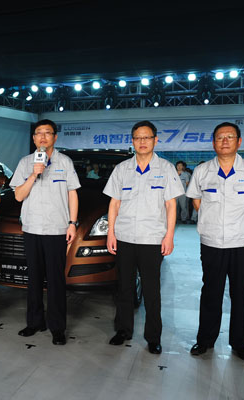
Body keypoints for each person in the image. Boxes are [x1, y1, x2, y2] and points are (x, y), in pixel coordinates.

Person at [186, 122, 244, 362]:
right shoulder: (203, 171)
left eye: (230, 137)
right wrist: (213, 222)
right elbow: (196, 201)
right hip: (212, 243)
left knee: (240, 294)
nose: (225, 141)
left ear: (239, 142)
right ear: (214, 143)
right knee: (211, 292)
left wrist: (235, 223)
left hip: (241, 243)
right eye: (220, 137)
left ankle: (240, 343)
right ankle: (205, 340)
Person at [104, 120, 184, 354]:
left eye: (147, 137)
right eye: (138, 138)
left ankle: (153, 337)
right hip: (125, 237)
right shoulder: (122, 169)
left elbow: (171, 205)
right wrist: (111, 232)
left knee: (151, 291)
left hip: (152, 239)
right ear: (132, 141)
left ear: (155, 140)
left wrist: (169, 236)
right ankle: (123, 330)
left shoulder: (166, 168)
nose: (142, 142)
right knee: (124, 288)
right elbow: (114, 203)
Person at [10, 119, 80, 345]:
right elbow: (18, 196)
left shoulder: (65, 162)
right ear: (33, 138)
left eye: (47, 133)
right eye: (38, 133)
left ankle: (57, 327)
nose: (42, 137)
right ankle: (34, 322)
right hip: (32, 228)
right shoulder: (25, 163)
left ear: (55, 137)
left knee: (56, 280)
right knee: (34, 278)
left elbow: (72, 193)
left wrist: (72, 223)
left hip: (56, 229)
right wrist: (33, 174)